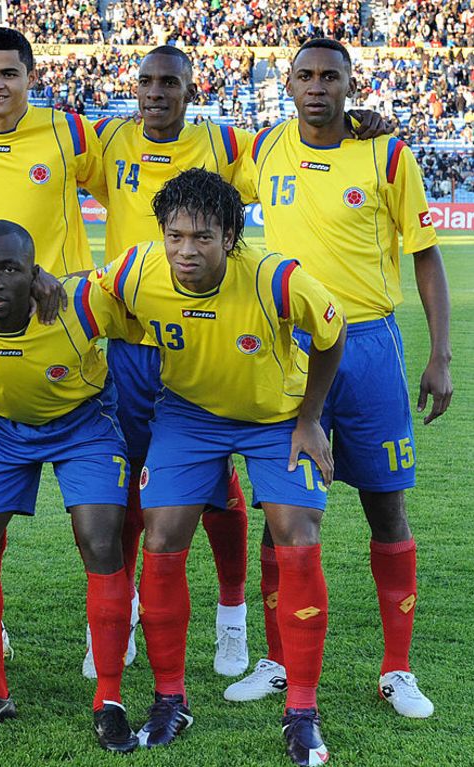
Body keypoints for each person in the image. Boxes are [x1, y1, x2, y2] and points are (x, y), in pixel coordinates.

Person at [87, 45, 394, 681]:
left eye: (169, 83)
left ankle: (233, 619)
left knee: (226, 493)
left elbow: (307, 154)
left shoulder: (230, 143)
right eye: (144, 82)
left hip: (222, 332)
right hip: (135, 335)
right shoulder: (100, 139)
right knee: (131, 494)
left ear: (191, 89)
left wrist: (353, 122)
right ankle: (122, 620)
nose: (155, 93)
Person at [231, 38, 452, 720]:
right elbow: (199, 177)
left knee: (386, 506)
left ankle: (398, 669)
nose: (318, 86)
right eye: (306, 75)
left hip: (368, 348)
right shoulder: (264, 148)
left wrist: (441, 354)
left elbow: (426, 256)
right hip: (290, 348)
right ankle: (275, 660)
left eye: (331, 75)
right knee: (284, 511)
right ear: (288, 84)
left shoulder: (387, 155)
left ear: (352, 84)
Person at [103, 168, 345, 766]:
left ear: (232, 236)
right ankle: (169, 699)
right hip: (188, 415)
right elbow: (85, 299)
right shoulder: (135, 270)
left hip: (276, 417)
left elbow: (332, 334)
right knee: (160, 536)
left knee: (298, 533)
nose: (186, 250)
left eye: (204, 237)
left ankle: (302, 713)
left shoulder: (276, 278)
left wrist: (310, 419)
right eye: (176, 235)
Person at [0, 221, 144, 752]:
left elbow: (142, 296)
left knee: (100, 539)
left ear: (33, 273)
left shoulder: (81, 303)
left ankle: (109, 698)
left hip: (82, 423)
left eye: (9, 269)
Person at [0, 28, 107, 277]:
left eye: (8, 74)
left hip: (63, 295)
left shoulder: (72, 130)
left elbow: (117, 199)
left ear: (31, 77)